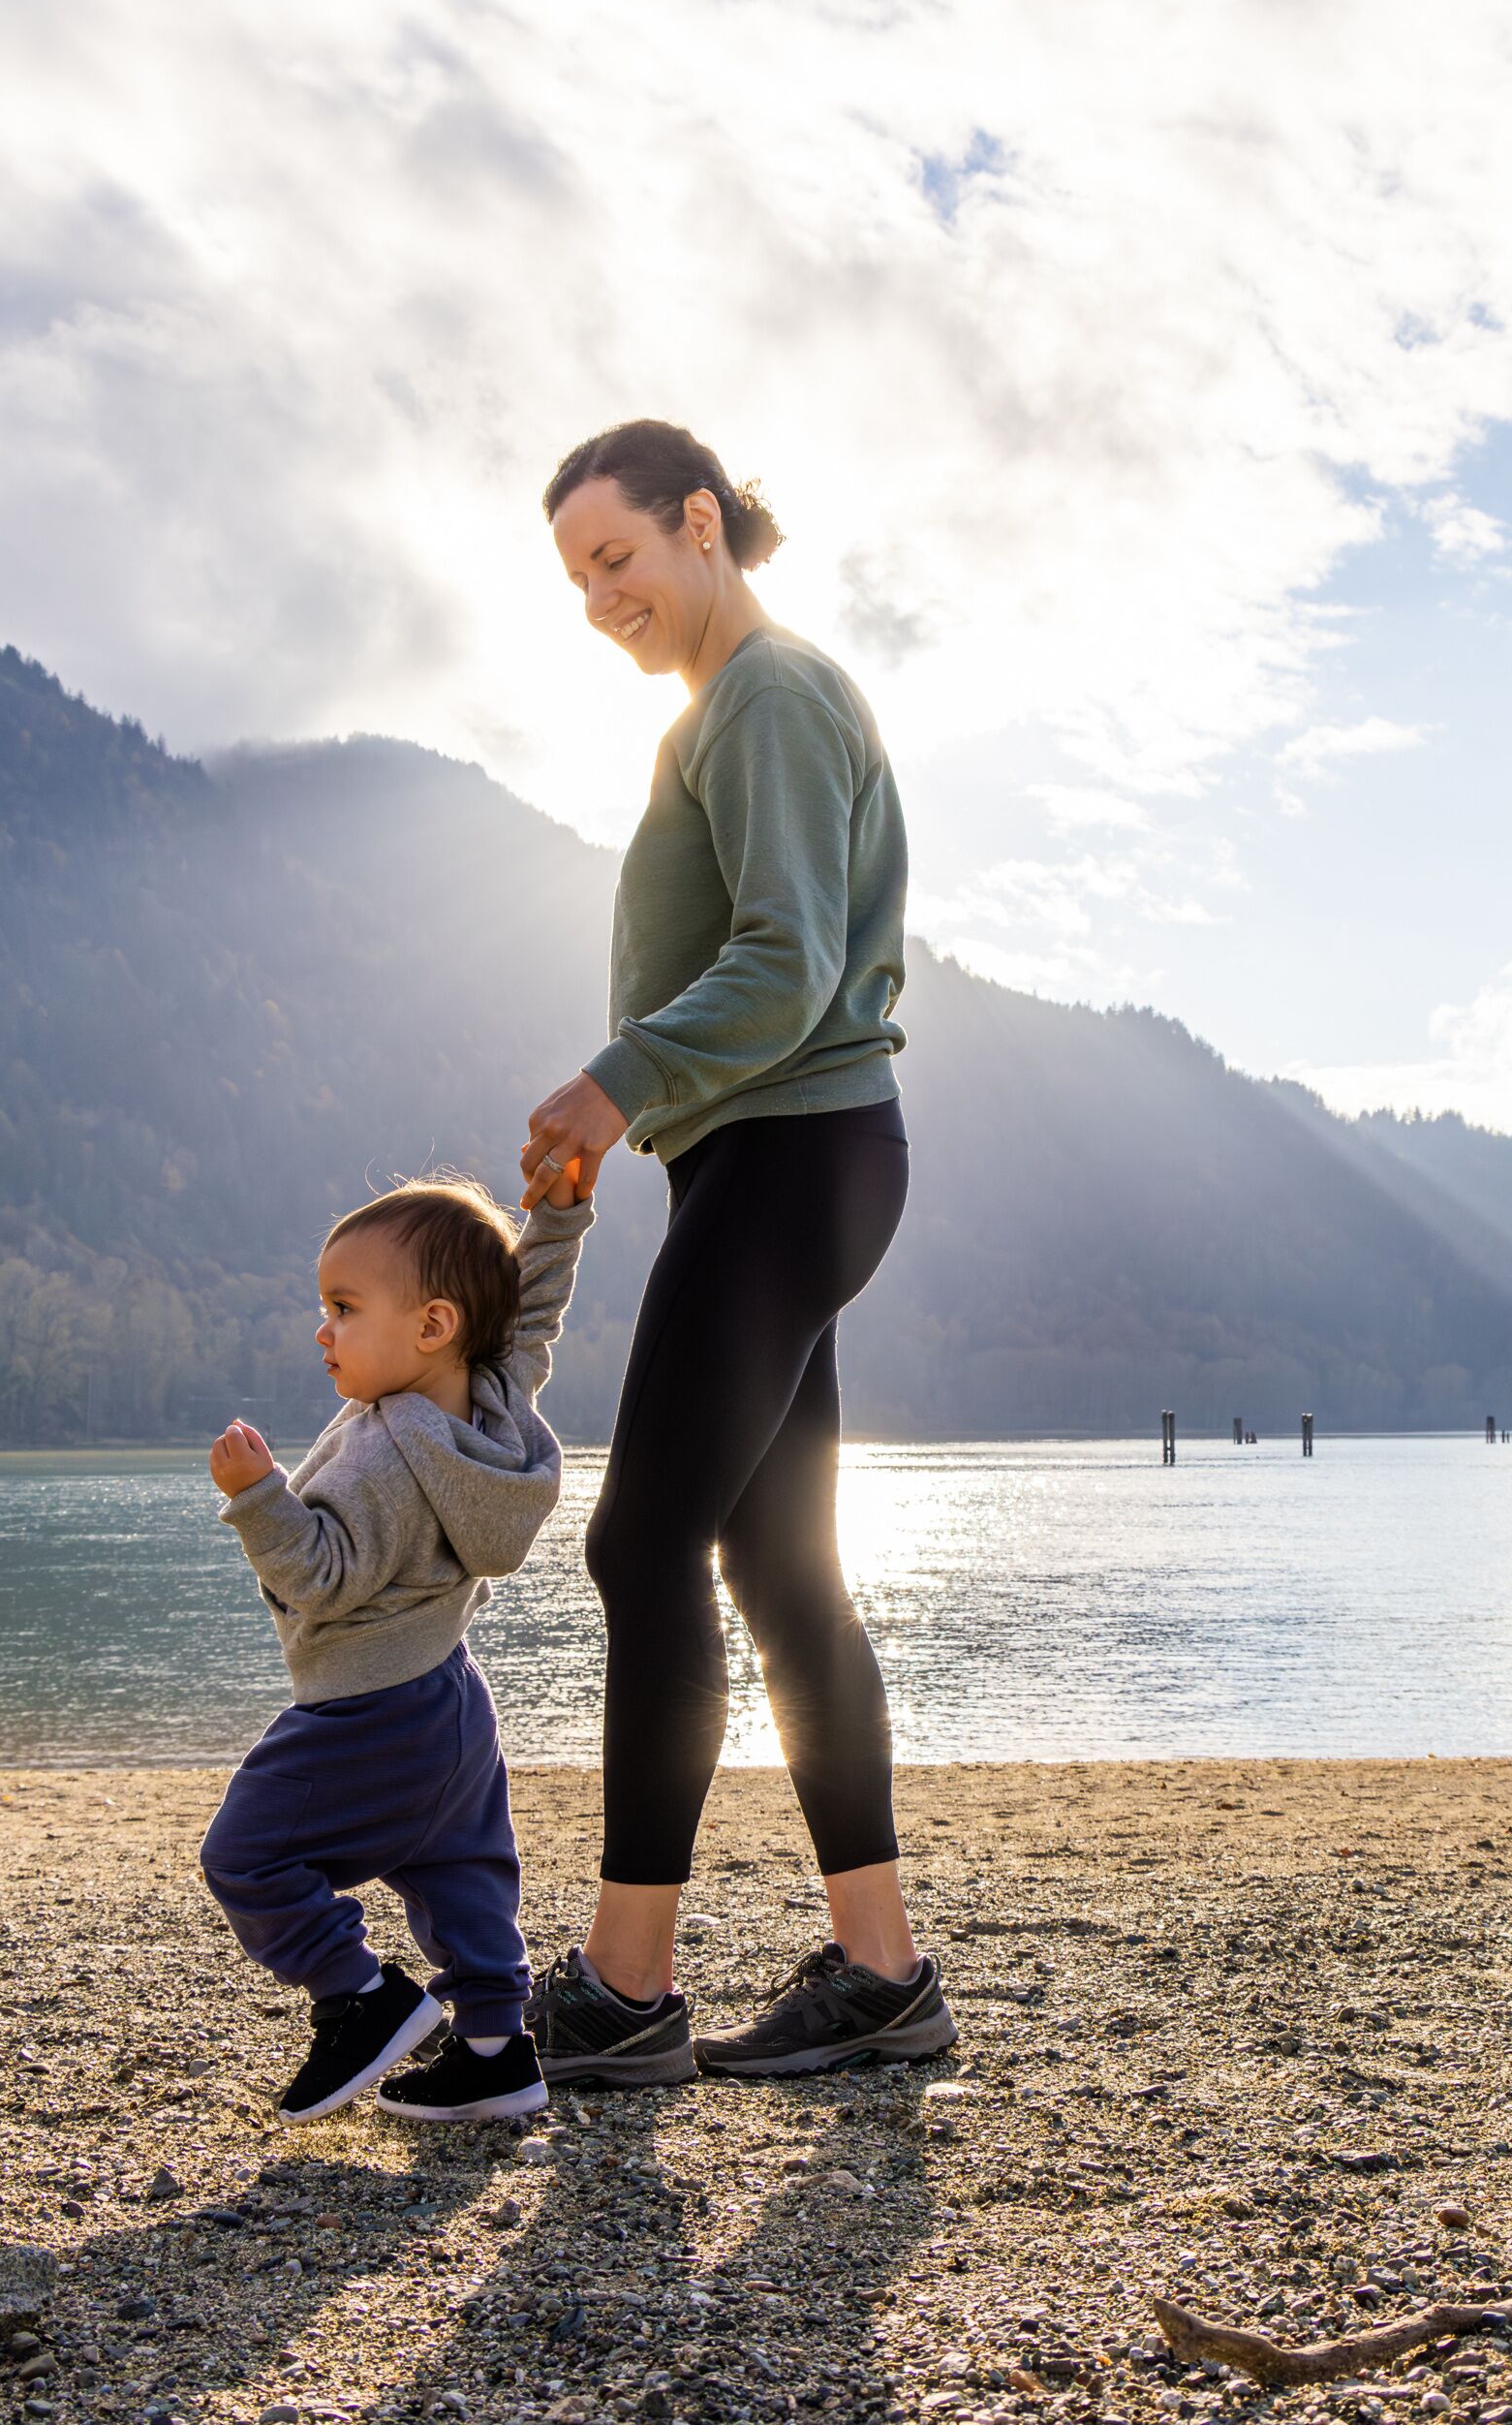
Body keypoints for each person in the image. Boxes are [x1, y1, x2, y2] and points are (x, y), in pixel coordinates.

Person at [515, 419, 954, 2082]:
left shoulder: (765, 695)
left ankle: (624, 1992)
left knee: (643, 1550)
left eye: (615, 557)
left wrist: (613, 1080)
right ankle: (882, 1975)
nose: (598, 598)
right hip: (781, 1164)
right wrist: (638, 1113)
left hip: (791, 1158)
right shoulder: (732, 711)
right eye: (576, 578)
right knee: (776, 1570)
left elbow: (789, 963)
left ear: (702, 523)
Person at [199, 1174, 593, 2122]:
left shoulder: (386, 1456)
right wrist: (559, 1217)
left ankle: (361, 1997)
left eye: (343, 1308)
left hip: (366, 1709)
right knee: (458, 1869)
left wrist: (259, 1499)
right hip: (448, 1699)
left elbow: (322, 1574)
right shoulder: (491, 1400)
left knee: (245, 1858)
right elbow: (530, 1307)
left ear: (431, 1327)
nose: (323, 1331)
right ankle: (496, 2055)